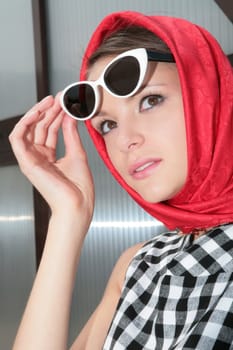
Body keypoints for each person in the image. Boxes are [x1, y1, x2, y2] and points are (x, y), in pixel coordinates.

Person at [9, 10, 233, 350]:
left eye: (150, 100)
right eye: (107, 125)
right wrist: (69, 217)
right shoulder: (140, 264)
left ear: (210, 95)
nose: (126, 139)